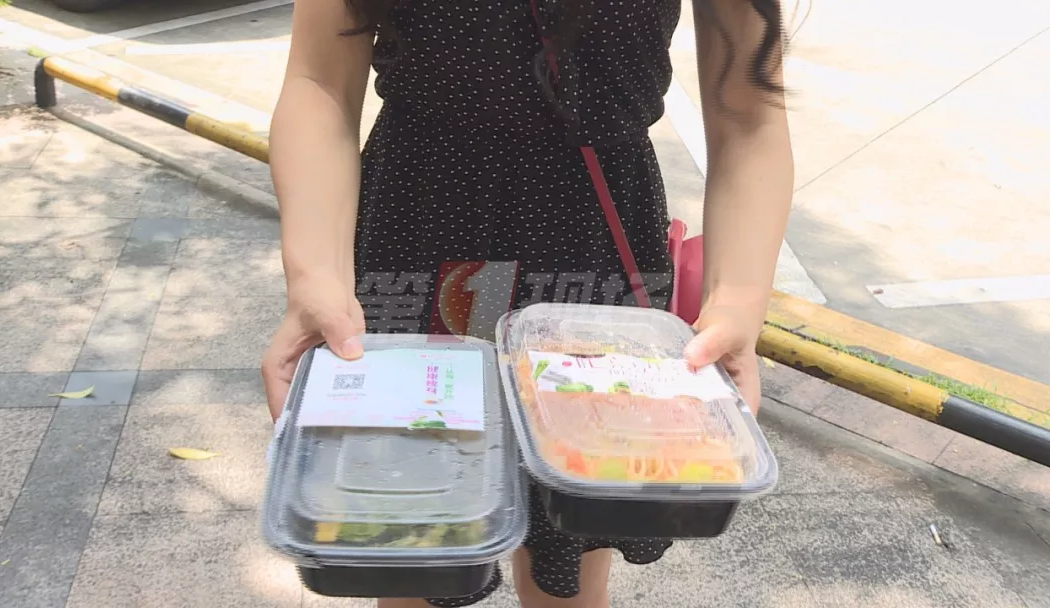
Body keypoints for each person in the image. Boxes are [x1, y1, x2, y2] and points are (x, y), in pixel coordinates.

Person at [261, 0, 794, 605]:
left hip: (589, 240)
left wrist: (738, 302)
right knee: (408, 522)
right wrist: (315, 276)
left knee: (573, 531)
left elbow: (749, 115)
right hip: (427, 226)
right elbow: (320, 81)